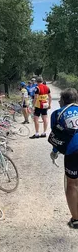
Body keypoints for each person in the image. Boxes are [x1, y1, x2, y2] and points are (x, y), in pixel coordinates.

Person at [49, 88, 78, 228]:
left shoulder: (57, 113)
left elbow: (56, 137)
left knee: (72, 184)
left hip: (73, 151)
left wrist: (54, 152)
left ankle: (76, 219)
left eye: (60, 99)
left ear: (63, 101)